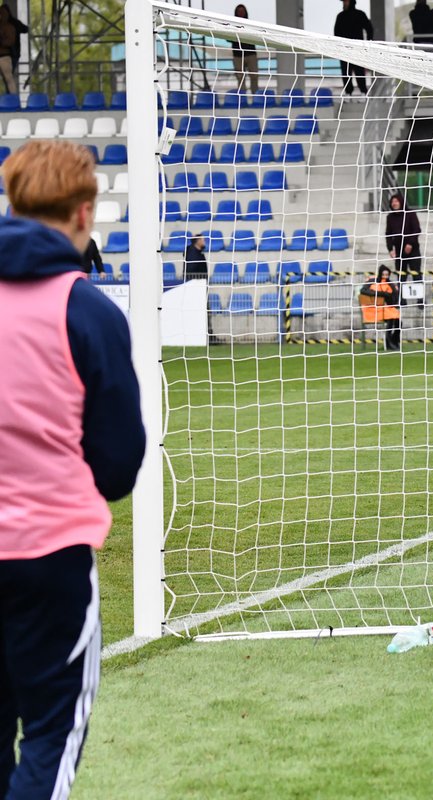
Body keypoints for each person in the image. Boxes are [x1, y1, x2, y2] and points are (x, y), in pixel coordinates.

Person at [0, 140, 145, 799]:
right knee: (52, 740)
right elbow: (118, 466)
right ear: (85, 214)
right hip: (47, 558)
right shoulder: (88, 312)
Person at [384, 193, 423, 305]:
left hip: (413, 249)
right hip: (399, 251)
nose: (394, 203)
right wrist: (390, 249)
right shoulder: (390, 217)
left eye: (396, 201)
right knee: (401, 275)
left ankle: (419, 299)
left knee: (416, 274)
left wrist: (410, 244)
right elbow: (388, 234)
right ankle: (402, 299)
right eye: (392, 202)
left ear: (401, 202)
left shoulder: (410, 214)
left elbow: (417, 230)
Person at [334, 0, 374, 96]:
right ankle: (348, 93)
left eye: (346, 1)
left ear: (351, 2)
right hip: (344, 49)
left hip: (357, 49)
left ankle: (363, 92)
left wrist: (368, 43)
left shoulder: (360, 14)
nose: (344, 3)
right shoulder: (340, 16)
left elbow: (369, 28)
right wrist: (338, 46)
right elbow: (336, 33)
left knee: (359, 71)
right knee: (346, 72)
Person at [360, 265, 401, 349]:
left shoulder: (391, 284)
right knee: (391, 318)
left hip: (385, 309)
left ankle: (393, 341)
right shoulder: (372, 281)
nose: (385, 276)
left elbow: (394, 300)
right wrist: (380, 293)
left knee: (398, 321)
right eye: (383, 274)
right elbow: (363, 290)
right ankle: (389, 342)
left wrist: (392, 294)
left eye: (387, 275)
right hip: (372, 310)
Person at [231, 4, 259, 94]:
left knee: (254, 76)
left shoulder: (251, 25)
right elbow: (228, 38)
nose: (241, 13)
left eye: (242, 11)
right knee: (240, 77)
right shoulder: (231, 25)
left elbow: (256, 37)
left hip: (251, 53)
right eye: (239, 11)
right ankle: (242, 98)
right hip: (238, 55)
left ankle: (255, 96)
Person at [0, 4, 25, 95]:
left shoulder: (10, 26)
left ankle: (13, 99)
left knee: (9, 78)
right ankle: (12, 98)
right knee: (8, 79)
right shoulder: (10, 25)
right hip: (6, 55)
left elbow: (10, 41)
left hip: (5, 56)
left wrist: (2, 41)